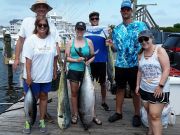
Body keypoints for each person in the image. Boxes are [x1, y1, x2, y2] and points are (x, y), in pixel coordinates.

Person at [13, 0, 60, 124]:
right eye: (38, 7)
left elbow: (56, 45)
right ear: (35, 9)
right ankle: (29, 117)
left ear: (46, 9)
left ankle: (42, 115)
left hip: (45, 66)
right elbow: (20, 40)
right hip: (29, 64)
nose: (41, 9)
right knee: (30, 93)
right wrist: (17, 58)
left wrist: (56, 67)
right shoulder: (26, 21)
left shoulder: (52, 25)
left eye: (43, 7)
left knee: (43, 94)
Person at [108, 0, 147, 127]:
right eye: (123, 10)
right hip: (120, 64)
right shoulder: (117, 29)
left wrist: (144, 54)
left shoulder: (140, 25)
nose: (125, 11)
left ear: (131, 11)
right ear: (120, 11)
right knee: (120, 89)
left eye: (127, 9)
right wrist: (110, 44)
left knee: (136, 90)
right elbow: (114, 49)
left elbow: (148, 41)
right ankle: (118, 113)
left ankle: (137, 114)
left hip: (136, 64)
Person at [22, 17, 57, 134]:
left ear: (47, 27)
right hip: (33, 77)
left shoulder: (51, 39)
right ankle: (28, 121)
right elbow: (28, 60)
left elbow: (55, 56)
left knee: (43, 98)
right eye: (40, 25)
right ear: (36, 27)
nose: (42, 27)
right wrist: (28, 76)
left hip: (46, 76)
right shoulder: (31, 40)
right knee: (31, 101)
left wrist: (54, 70)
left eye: (44, 25)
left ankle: (41, 120)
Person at [66, 21, 102, 125]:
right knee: (74, 93)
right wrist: (76, 60)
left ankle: (93, 115)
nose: (80, 31)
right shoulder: (70, 43)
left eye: (82, 29)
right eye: (78, 29)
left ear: (84, 30)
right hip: (74, 70)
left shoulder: (89, 42)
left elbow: (93, 56)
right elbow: (67, 58)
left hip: (86, 71)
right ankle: (75, 114)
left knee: (91, 94)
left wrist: (88, 62)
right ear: (75, 29)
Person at [135, 30, 170, 135]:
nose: (143, 41)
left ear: (152, 39)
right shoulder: (140, 53)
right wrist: (137, 85)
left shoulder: (160, 50)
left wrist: (160, 86)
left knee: (155, 115)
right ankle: (150, 132)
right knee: (149, 113)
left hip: (158, 89)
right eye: (141, 40)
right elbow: (140, 71)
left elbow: (167, 69)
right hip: (144, 88)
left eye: (146, 39)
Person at [85, 11, 110, 111]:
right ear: (90, 20)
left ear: (98, 19)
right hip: (90, 61)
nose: (94, 20)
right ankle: (90, 101)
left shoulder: (105, 30)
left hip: (102, 60)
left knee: (103, 83)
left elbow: (110, 41)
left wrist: (111, 36)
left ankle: (103, 101)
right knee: (89, 83)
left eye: (96, 18)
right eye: (92, 19)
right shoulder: (85, 30)